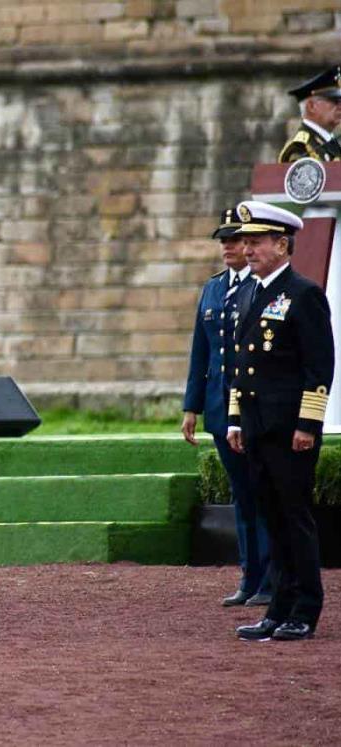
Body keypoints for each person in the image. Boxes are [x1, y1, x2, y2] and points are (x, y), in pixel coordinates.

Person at [227, 201, 333, 642]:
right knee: (271, 516)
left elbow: (319, 367)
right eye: (245, 242)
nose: (247, 250)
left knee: (294, 517)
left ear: (282, 244)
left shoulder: (303, 293)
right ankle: (277, 607)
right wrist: (235, 419)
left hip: (289, 429)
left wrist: (308, 426)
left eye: (256, 242)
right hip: (256, 426)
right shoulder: (250, 292)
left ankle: (304, 609)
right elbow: (241, 364)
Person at [181, 208, 272, 607]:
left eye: (236, 240)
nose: (229, 247)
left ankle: (270, 578)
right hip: (220, 408)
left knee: (262, 492)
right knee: (241, 495)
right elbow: (200, 355)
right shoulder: (214, 289)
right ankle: (249, 576)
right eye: (225, 240)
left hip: (255, 410)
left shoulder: (263, 287)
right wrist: (191, 407)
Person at [279, 65, 341, 162]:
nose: (340, 106)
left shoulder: (332, 144)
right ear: (312, 106)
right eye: (335, 101)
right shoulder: (300, 149)